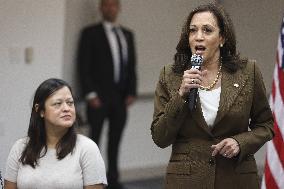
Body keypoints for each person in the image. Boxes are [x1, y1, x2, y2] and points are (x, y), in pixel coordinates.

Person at [151, 3, 274, 189]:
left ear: (222, 38)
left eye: (207, 30)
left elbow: (266, 125)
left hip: (237, 178)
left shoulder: (248, 71)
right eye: (193, 31)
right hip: (187, 180)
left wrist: (240, 142)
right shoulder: (171, 75)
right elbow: (160, 137)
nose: (198, 37)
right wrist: (181, 94)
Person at [4, 78, 107, 189]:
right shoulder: (20, 147)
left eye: (70, 103)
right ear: (40, 110)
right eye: (58, 104)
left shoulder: (87, 148)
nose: (66, 108)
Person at [77, 0, 137, 188]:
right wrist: (90, 94)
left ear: (118, 8)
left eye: (113, 5)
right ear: (101, 8)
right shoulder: (90, 33)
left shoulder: (127, 34)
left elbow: (131, 66)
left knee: (115, 141)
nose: (110, 8)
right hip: (98, 98)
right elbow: (83, 65)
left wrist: (132, 91)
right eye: (106, 5)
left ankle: (113, 180)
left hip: (120, 98)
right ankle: (90, 182)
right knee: (92, 142)